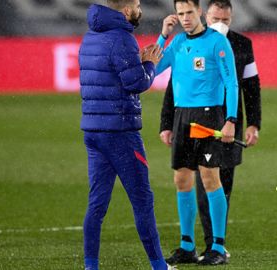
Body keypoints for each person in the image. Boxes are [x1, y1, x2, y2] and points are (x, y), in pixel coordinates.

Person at [159, 0, 261, 259]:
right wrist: (162, 37)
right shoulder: (178, 43)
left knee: (210, 179)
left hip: (210, 116)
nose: (184, 18)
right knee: (181, 180)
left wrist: (230, 120)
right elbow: (154, 67)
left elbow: (232, 84)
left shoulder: (217, 42)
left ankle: (217, 246)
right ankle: (187, 246)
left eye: (189, 13)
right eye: (180, 13)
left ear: (199, 12)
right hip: (183, 117)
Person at [78, 1, 171, 269]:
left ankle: (90, 266)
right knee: (142, 200)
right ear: (126, 10)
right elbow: (137, 83)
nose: (140, 8)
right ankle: (159, 266)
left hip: (94, 131)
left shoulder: (91, 36)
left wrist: (137, 61)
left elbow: (108, 74)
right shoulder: (122, 38)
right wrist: (150, 65)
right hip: (120, 132)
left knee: (97, 204)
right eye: (137, 4)